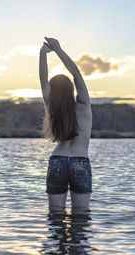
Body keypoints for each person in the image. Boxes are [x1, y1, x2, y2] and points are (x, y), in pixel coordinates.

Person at [39, 37, 93, 214]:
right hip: (80, 161)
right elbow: (76, 73)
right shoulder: (83, 105)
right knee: (81, 217)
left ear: (52, 93)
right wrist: (58, 50)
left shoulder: (52, 107)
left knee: (55, 217)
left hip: (58, 161)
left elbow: (43, 80)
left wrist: (42, 54)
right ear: (71, 90)